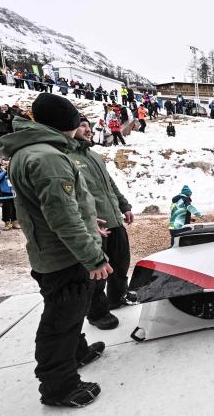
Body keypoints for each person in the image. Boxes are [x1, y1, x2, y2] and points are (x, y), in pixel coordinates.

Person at [0, 93, 112, 407]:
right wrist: (93, 255)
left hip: (55, 250)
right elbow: (61, 217)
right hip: (64, 257)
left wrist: (90, 223)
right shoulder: (48, 157)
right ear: (68, 123)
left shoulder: (34, 151)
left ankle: (77, 352)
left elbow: (58, 209)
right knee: (61, 319)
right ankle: (59, 386)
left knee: (70, 311)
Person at [69, 118, 134, 323]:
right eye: (82, 126)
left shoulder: (94, 155)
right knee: (97, 272)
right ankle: (97, 313)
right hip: (94, 224)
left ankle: (117, 298)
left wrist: (124, 206)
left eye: (89, 126)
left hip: (114, 219)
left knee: (121, 264)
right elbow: (70, 197)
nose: (88, 130)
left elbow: (110, 184)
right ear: (71, 128)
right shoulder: (65, 157)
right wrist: (85, 221)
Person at [0, 159, 19, 230]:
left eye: (8, 164)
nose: (7, 166)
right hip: (4, 193)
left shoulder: (14, 170)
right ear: (1, 165)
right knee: (6, 209)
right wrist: (4, 172)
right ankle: (7, 223)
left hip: (14, 192)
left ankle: (15, 222)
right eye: (5, 164)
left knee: (15, 208)